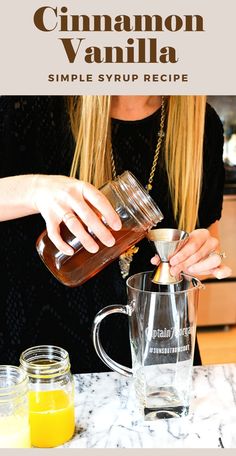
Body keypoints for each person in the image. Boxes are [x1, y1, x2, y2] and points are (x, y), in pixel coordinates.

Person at [0, 95, 232, 372]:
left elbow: (201, 238)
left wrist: (200, 257)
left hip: (154, 363)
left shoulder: (202, 124)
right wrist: (33, 190)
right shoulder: (27, 103)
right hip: (37, 361)